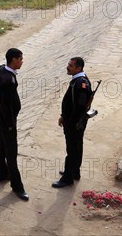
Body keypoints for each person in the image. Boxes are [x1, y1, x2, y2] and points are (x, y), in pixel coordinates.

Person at [0, 48, 29, 201]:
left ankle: (2, 174)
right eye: (21, 59)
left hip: (1, 116)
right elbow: (4, 105)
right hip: (6, 119)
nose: (22, 61)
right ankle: (17, 186)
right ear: (14, 60)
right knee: (11, 152)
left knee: (2, 144)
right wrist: (10, 124)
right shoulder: (8, 80)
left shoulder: (2, 69)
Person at [52, 57, 92, 188]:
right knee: (76, 147)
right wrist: (63, 116)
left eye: (71, 65)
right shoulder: (78, 80)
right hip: (74, 122)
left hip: (75, 124)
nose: (67, 67)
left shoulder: (81, 83)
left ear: (78, 68)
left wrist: (70, 122)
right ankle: (74, 172)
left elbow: (80, 107)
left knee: (72, 150)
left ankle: (67, 178)